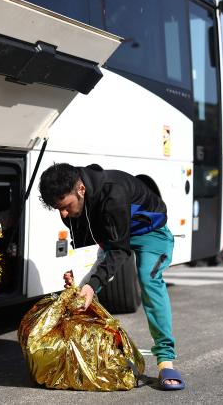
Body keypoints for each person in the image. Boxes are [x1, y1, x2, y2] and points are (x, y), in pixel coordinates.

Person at [38, 163, 185, 391]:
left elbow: (119, 251)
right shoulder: (71, 205)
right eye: (59, 209)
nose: (63, 214)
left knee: (148, 279)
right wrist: (78, 279)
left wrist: (93, 285)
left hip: (150, 232)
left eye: (65, 206)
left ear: (81, 189)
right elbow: (87, 247)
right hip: (114, 236)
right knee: (81, 292)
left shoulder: (113, 194)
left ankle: (166, 360)